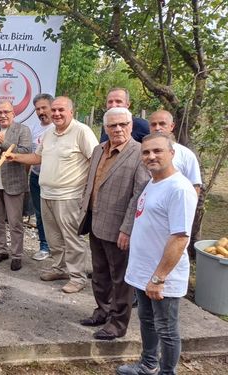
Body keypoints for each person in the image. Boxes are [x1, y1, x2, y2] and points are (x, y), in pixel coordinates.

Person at [116, 132, 197, 375]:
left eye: (157, 151)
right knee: (148, 322)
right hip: (143, 271)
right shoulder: (153, 182)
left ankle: (166, 372)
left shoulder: (179, 189)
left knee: (167, 329)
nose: (151, 156)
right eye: (146, 152)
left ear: (172, 153)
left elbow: (180, 237)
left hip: (162, 277)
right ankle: (148, 364)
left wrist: (158, 278)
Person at [7, 96, 99, 293]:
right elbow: (37, 157)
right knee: (53, 237)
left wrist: (89, 191)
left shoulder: (81, 131)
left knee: (72, 238)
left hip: (69, 196)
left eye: (61, 110)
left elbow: (96, 161)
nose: (56, 114)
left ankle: (77, 277)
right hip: (46, 193)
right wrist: (15, 157)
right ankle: (60, 268)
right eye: (54, 110)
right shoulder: (49, 133)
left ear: (71, 112)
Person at [77, 107, 150, 341]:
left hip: (119, 228)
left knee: (120, 278)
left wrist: (127, 228)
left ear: (131, 125)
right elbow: (91, 182)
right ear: (105, 128)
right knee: (99, 274)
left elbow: (139, 195)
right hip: (95, 221)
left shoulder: (139, 153)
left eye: (123, 124)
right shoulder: (99, 149)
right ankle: (102, 310)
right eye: (112, 126)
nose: (118, 129)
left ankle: (118, 323)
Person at [0, 101, 32, 271]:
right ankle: (2, 250)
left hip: (14, 183)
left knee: (15, 222)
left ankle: (17, 255)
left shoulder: (22, 130)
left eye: (6, 112)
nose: (2, 115)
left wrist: (3, 143)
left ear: (13, 113)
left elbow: (25, 152)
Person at [148, 110, 202, 194]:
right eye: (153, 124)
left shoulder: (186, 154)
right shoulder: (143, 153)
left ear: (172, 126)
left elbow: (195, 186)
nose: (157, 128)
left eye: (162, 124)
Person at [27, 93, 54, 261]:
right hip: (36, 177)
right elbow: (32, 155)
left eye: (44, 107)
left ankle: (59, 248)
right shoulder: (34, 128)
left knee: (56, 216)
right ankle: (44, 246)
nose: (41, 111)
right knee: (40, 214)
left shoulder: (57, 128)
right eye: (38, 109)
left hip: (53, 180)